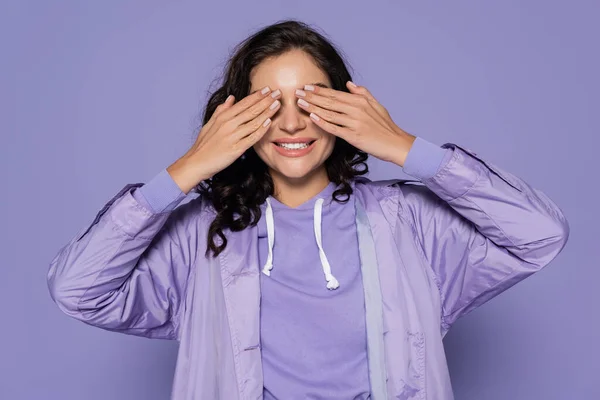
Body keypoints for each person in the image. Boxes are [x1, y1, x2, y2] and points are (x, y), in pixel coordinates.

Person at [47, 19, 569, 400]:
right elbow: (76, 289)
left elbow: (539, 234)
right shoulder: (201, 236)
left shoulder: (407, 221)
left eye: (311, 103)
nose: (292, 125)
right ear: (236, 118)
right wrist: (186, 170)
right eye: (269, 105)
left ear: (344, 109)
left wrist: (406, 147)